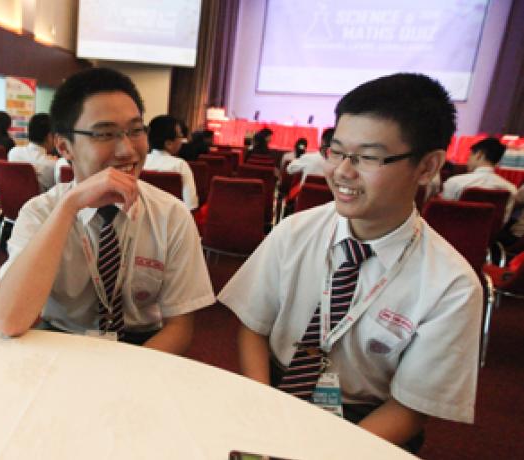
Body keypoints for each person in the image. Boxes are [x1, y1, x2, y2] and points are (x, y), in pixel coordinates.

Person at [218, 73, 481, 452]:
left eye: (368, 157)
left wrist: (326, 451)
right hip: (274, 389)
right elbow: (254, 326)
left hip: (365, 423)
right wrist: (266, 409)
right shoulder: (296, 232)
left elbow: (409, 409)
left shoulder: (451, 285)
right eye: (337, 151)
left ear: (427, 167)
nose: (342, 171)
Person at [0, 67, 215, 354]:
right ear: (64, 146)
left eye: (135, 130)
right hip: (60, 340)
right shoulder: (40, 212)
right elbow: (8, 320)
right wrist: (69, 208)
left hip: (143, 347)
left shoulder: (170, 216)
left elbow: (180, 328)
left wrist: (124, 376)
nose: (127, 150)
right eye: (105, 134)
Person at [441, 137, 516, 222]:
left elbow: (443, 216)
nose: (468, 161)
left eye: (470, 155)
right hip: (490, 235)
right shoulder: (511, 189)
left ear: (479, 155)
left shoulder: (455, 182)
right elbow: (502, 221)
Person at [143, 115, 199, 210]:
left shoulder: (141, 162)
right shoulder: (180, 165)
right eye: (180, 136)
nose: (182, 140)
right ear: (168, 143)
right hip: (173, 220)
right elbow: (191, 204)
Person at [8, 113, 59, 191]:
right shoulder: (52, 165)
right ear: (49, 137)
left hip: (11, 202)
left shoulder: (13, 152)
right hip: (40, 202)